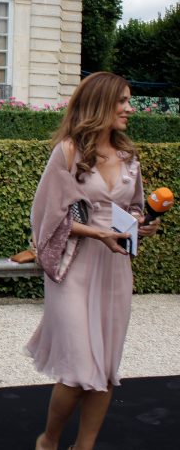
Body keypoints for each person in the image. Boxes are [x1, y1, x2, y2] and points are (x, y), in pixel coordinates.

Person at [27, 72, 161, 450]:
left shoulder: (128, 157)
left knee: (104, 368)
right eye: (122, 101)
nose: (129, 109)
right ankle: (48, 441)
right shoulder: (68, 152)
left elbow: (133, 207)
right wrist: (97, 233)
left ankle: (84, 447)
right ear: (100, 103)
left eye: (129, 101)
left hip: (115, 269)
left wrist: (140, 224)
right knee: (77, 370)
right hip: (73, 267)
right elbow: (46, 217)